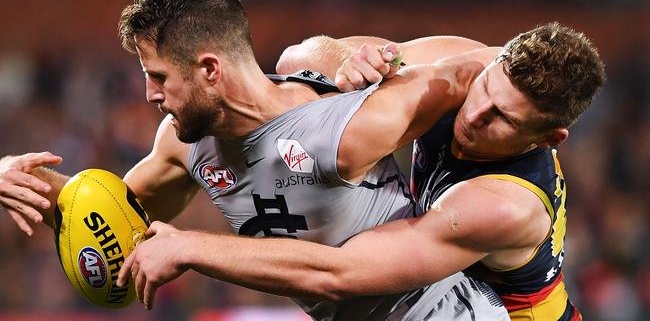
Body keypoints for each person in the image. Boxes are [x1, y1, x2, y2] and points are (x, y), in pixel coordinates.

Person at [0, 0, 508, 320]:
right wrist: (19, 178)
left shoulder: (332, 106)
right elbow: (111, 218)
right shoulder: (185, 145)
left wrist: (384, 59)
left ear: (210, 70)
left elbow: (496, 63)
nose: (150, 96)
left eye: (158, 77)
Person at [113, 22, 604, 321]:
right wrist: (354, 64)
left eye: (504, 119)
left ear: (547, 138)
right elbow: (304, 57)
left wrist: (194, 246)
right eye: (487, 90)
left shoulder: (504, 205)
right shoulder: (469, 67)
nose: (476, 115)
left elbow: (339, 274)